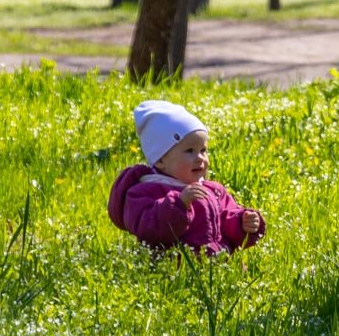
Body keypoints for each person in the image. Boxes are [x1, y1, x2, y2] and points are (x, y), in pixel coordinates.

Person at [108, 100, 265, 255]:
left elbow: (226, 218)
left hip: (218, 265)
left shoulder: (213, 190)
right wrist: (179, 204)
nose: (200, 158)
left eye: (203, 150)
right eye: (190, 151)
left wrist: (241, 222)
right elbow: (149, 229)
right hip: (177, 269)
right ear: (161, 160)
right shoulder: (146, 191)